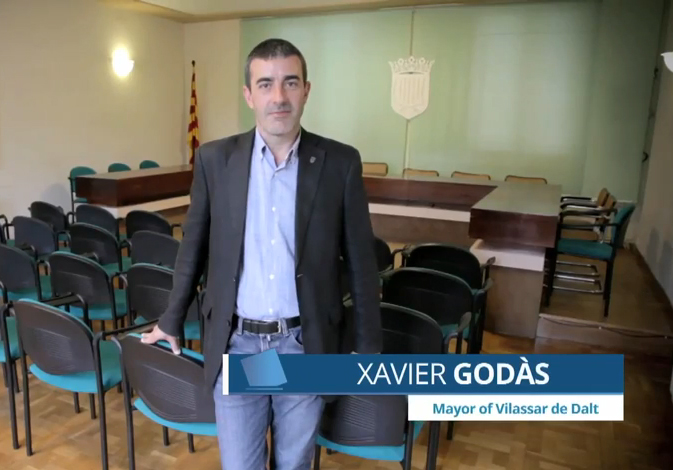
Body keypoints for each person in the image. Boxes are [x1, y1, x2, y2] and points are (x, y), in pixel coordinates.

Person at [141, 38, 382, 470]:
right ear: (249, 95)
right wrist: (171, 318)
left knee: (294, 463)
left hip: (304, 345)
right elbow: (193, 247)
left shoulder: (340, 163)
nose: (279, 96)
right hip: (239, 346)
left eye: (290, 82)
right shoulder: (215, 160)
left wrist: (367, 347)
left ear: (306, 90)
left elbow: (362, 263)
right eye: (266, 84)